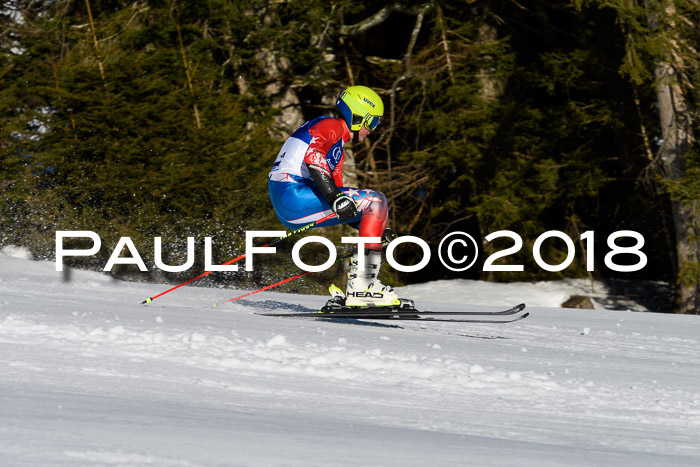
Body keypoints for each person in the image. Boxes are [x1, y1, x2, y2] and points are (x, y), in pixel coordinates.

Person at [268, 85, 399, 307]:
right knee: (377, 200)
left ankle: (363, 285)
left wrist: (374, 230)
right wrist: (334, 197)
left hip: (292, 199)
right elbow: (314, 156)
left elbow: (343, 201)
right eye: (372, 122)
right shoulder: (330, 125)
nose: (372, 129)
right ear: (357, 116)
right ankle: (363, 286)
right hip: (293, 193)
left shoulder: (336, 146)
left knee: (373, 205)